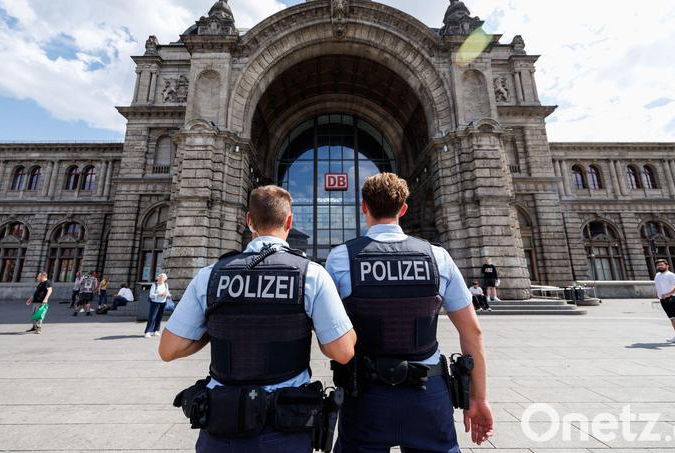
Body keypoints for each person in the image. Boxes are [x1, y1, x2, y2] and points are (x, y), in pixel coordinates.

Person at [158, 185, 357, 453]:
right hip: (286, 426)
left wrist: (213, 326)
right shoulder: (310, 274)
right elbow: (342, 352)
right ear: (289, 221)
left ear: (249, 221)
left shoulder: (211, 276)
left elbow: (169, 349)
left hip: (222, 427)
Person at [325, 172, 494, 452]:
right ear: (403, 209)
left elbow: (331, 334)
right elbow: (472, 331)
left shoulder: (341, 257)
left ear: (364, 206)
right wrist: (479, 398)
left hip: (365, 395)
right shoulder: (436, 256)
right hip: (428, 393)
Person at [144, 273, 171, 338]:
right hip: (155, 303)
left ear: (165, 279)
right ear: (158, 278)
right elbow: (151, 295)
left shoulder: (166, 285)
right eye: (160, 277)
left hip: (163, 302)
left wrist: (167, 294)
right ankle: (148, 331)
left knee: (159, 317)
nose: (162, 279)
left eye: (163, 278)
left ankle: (156, 330)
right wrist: (159, 294)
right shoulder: (154, 285)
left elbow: (167, 292)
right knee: (152, 317)